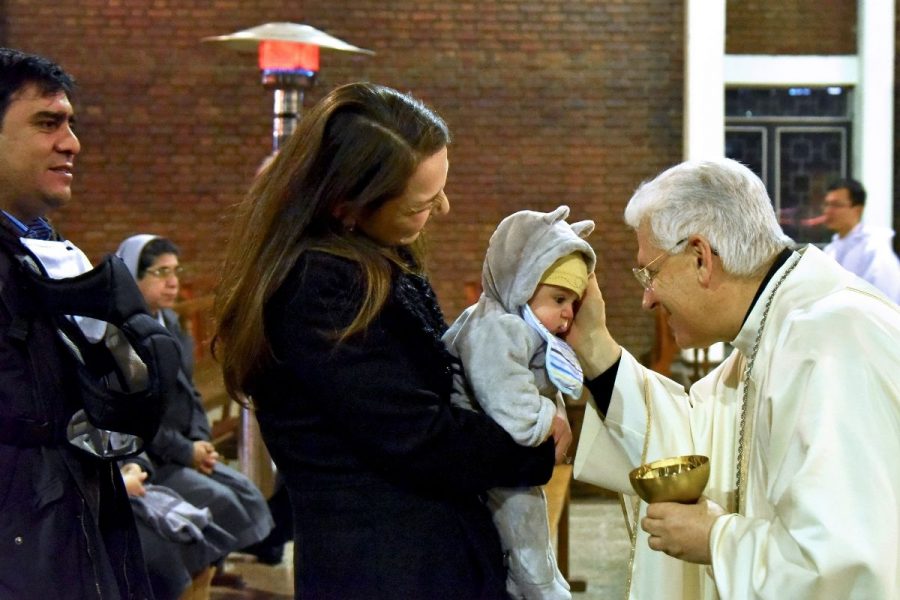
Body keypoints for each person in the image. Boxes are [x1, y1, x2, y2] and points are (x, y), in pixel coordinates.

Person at [212, 81, 570, 599]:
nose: (442, 208)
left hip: (413, 551)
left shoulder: (366, 254)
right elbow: (415, 436)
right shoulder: (319, 285)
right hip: (385, 564)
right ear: (346, 205)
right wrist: (534, 450)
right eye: (420, 204)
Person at [569, 158, 900, 599]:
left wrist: (716, 540)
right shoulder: (775, 328)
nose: (648, 299)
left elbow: (850, 569)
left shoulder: (831, 342)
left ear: (701, 258)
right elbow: (695, 438)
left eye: (650, 273)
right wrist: (593, 346)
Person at [0, 47, 166, 598]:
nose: (71, 143)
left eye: (69, 124)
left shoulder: (38, 251)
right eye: (48, 123)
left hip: (63, 526)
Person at [443, 205, 596, 599]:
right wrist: (550, 418)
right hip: (488, 455)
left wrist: (555, 409)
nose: (567, 313)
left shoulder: (520, 326)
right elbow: (514, 411)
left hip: (501, 457)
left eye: (573, 303)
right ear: (520, 281)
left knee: (529, 516)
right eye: (558, 297)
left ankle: (540, 576)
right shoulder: (498, 327)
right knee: (521, 520)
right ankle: (536, 585)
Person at [115, 235, 275, 583]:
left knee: (245, 491)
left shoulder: (169, 322)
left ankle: (212, 568)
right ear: (132, 277)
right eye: (160, 272)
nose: (173, 282)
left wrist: (201, 441)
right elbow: (135, 417)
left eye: (176, 271)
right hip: (151, 459)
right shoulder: (122, 335)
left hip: (183, 447)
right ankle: (201, 572)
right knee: (221, 499)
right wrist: (186, 451)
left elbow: (190, 393)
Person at [120, 455, 233, 600]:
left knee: (201, 531)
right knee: (163, 551)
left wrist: (135, 466)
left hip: (134, 486)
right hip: (99, 505)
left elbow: (133, 444)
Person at [821, 177, 900, 303]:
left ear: (857, 210)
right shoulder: (830, 250)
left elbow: (885, 298)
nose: (828, 211)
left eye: (836, 205)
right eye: (827, 204)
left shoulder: (874, 248)